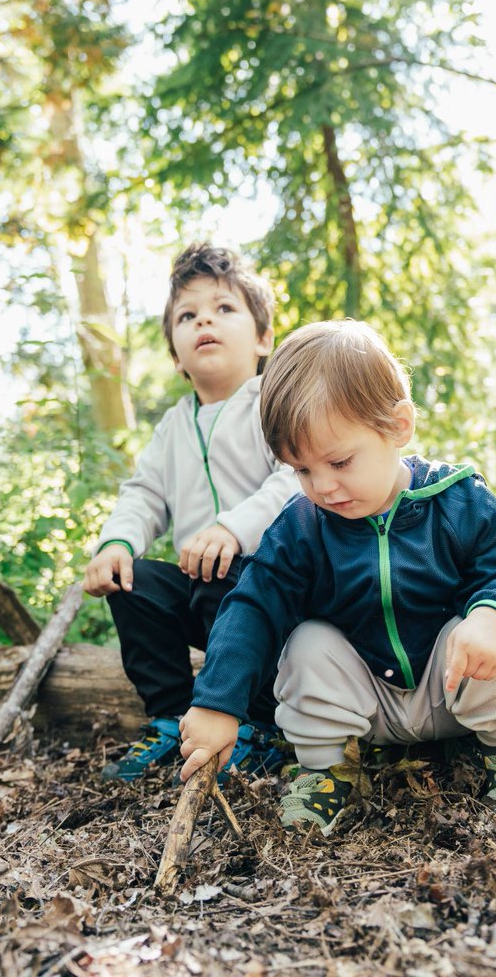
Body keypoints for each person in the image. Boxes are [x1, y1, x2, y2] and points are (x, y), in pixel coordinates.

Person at [178, 319, 496, 830]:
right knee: (307, 640)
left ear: (397, 426)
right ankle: (327, 772)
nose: (324, 486)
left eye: (340, 461)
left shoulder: (457, 499)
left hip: (454, 684)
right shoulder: (302, 528)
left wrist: (491, 617)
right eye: (303, 470)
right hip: (366, 706)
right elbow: (253, 607)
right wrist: (217, 703)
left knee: (486, 622)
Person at [83, 243, 299, 782]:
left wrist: (234, 528)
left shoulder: (273, 402)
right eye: (188, 315)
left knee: (224, 571)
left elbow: (295, 478)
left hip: (278, 590)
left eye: (225, 308)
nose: (205, 318)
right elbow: (144, 494)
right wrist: (117, 544)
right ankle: (173, 719)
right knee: (133, 584)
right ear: (177, 355)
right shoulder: (174, 426)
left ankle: (257, 725)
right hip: (205, 589)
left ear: (263, 338)